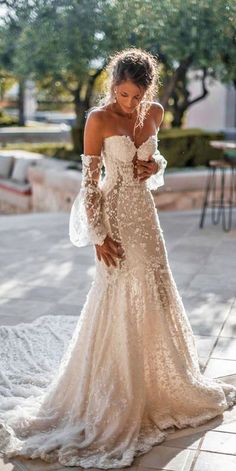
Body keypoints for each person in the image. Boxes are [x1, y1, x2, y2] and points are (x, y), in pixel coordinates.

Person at [0, 47, 236, 470]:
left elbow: (155, 161)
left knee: (156, 286)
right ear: (113, 84)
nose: (128, 103)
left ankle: (160, 382)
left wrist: (154, 165)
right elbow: (91, 185)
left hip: (145, 215)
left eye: (136, 96)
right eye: (123, 94)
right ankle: (117, 384)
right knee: (118, 288)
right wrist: (98, 236)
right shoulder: (98, 119)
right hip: (113, 215)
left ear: (148, 92)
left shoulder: (156, 112)